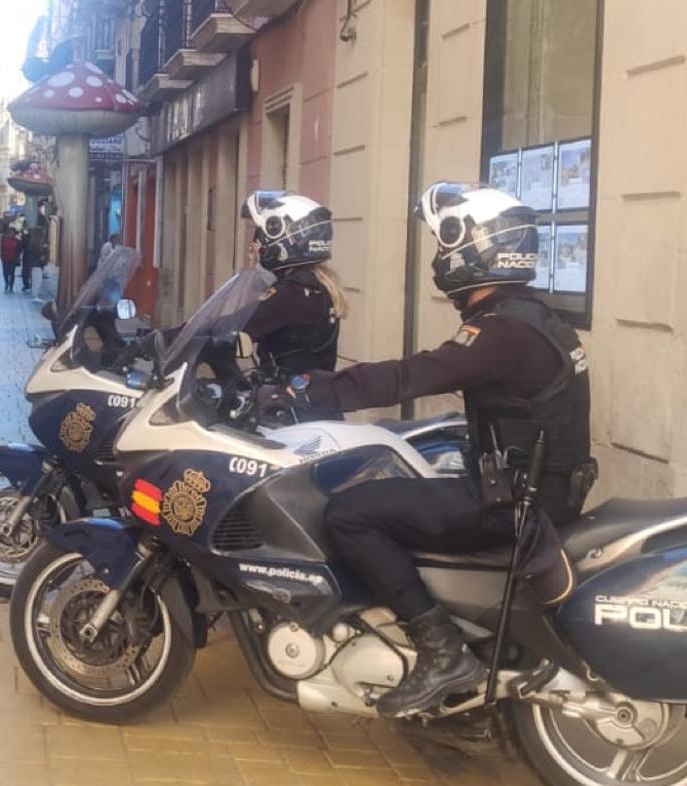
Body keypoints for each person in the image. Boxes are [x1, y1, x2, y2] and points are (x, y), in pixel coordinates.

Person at [261, 182, 592, 717]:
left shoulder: (503, 329)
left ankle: (441, 648)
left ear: (476, 247)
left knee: (348, 513)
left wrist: (311, 390)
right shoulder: (535, 318)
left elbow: (415, 374)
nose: (441, 257)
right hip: (531, 491)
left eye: (445, 244)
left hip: (515, 506)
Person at [240, 191, 347, 419]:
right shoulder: (317, 285)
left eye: (259, 238)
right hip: (314, 405)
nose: (255, 248)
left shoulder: (291, 293)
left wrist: (164, 339)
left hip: (292, 412)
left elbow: (238, 324)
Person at [0, 227, 23, 293]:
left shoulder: (17, 240)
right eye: (9, 232)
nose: (11, 233)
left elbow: (19, 249)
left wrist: (17, 255)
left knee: (12, 273)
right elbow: (2, 248)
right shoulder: (4, 239)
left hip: (13, 258)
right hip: (5, 258)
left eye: (12, 232)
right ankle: (6, 282)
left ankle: (11, 285)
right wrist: (1, 256)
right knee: (5, 272)